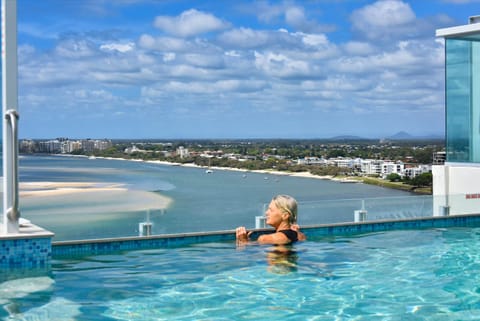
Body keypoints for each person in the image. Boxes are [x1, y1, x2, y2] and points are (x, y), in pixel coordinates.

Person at [236, 194, 306, 245]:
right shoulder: (301, 236)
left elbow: (253, 256)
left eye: (271, 210)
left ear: (285, 215)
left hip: (276, 265)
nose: (266, 213)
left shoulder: (265, 239)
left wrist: (243, 241)